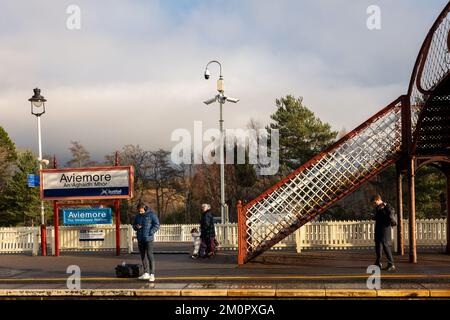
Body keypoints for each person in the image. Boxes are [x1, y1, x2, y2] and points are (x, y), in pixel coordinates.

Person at [132, 204, 160, 281]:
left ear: (144, 208)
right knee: (143, 256)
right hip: (140, 239)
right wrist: (136, 227)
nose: (140, 212)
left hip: (148, 239)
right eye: (139, 211)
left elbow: (157, 225)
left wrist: (150, 232)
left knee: (150, 255)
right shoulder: (137, 216)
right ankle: (146, 273)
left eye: (141, 210)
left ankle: (152, 274)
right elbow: (133, 225)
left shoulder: (152, 215)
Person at [371, 195, 396, 271]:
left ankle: (391, 264)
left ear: (378, 200)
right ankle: (378, 263)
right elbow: (379, 217)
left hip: (385, 229)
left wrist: (384, 208)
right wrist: (374, 217)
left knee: (386, 246)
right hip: (379, 229)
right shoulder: (378, 207)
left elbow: (389, 215)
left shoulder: (387, 206)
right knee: (378, 246)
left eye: (375, 202)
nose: (374, 204)